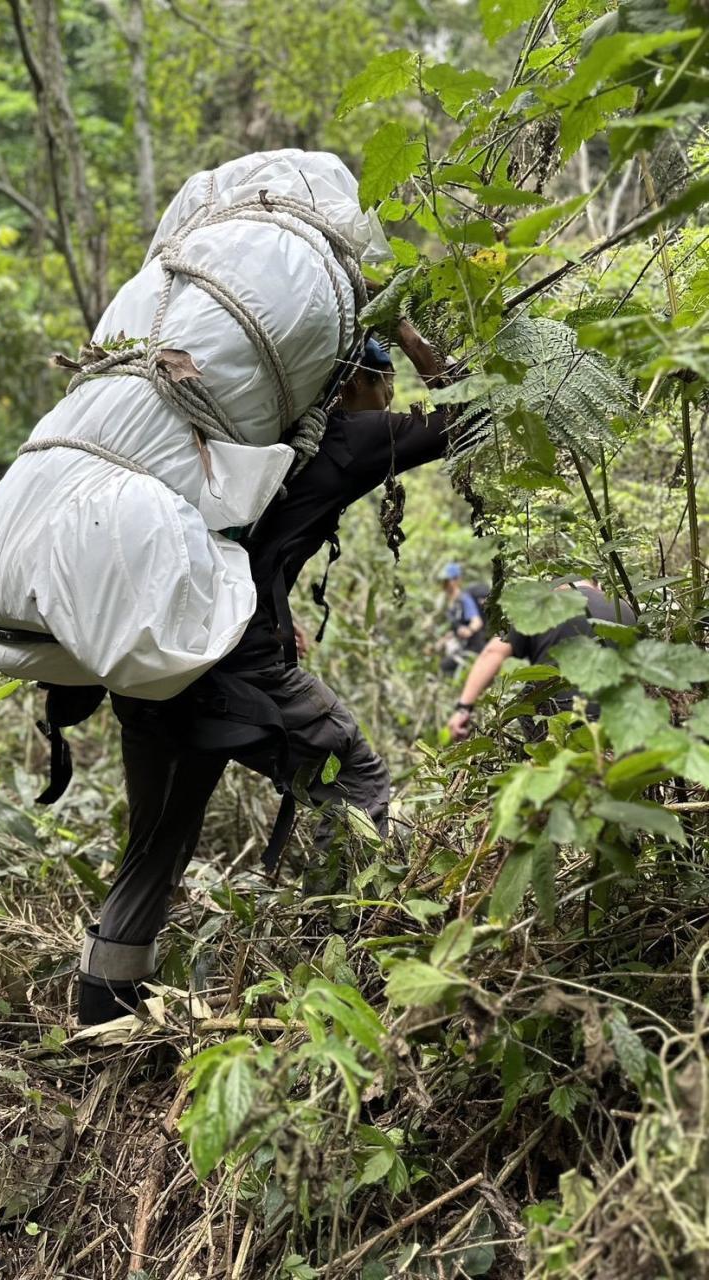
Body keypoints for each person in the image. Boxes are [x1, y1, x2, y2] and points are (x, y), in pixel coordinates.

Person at [78, 320, 459, 1024]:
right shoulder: (345, 440)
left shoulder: (238, 443)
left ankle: (102, 1014)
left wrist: (275, 609)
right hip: (239, 674)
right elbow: (473, 416)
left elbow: (229, 542)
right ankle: (341, 974)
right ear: (352, 381)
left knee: (158, 839)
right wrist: (406, 330)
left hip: (155, 664)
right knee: (357, 780)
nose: (390, 398)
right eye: (385, 385)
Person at [447, 579, 638, 742]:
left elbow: (493, 653)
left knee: (527, 695)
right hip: (626, 717)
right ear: (599, 586)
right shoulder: (624, 608)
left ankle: (543, 760)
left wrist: (464, 708)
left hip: (566, 719)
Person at [438, 563, 486, 675]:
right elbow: (456, 627)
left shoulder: (464, 599)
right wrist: (442, 640)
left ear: (456, 581)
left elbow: (477, 622)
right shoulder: (450, 603)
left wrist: (469, 630)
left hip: (473, 649)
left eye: (447, 581)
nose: (444, 584)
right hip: (463, 648)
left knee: (445, 667)